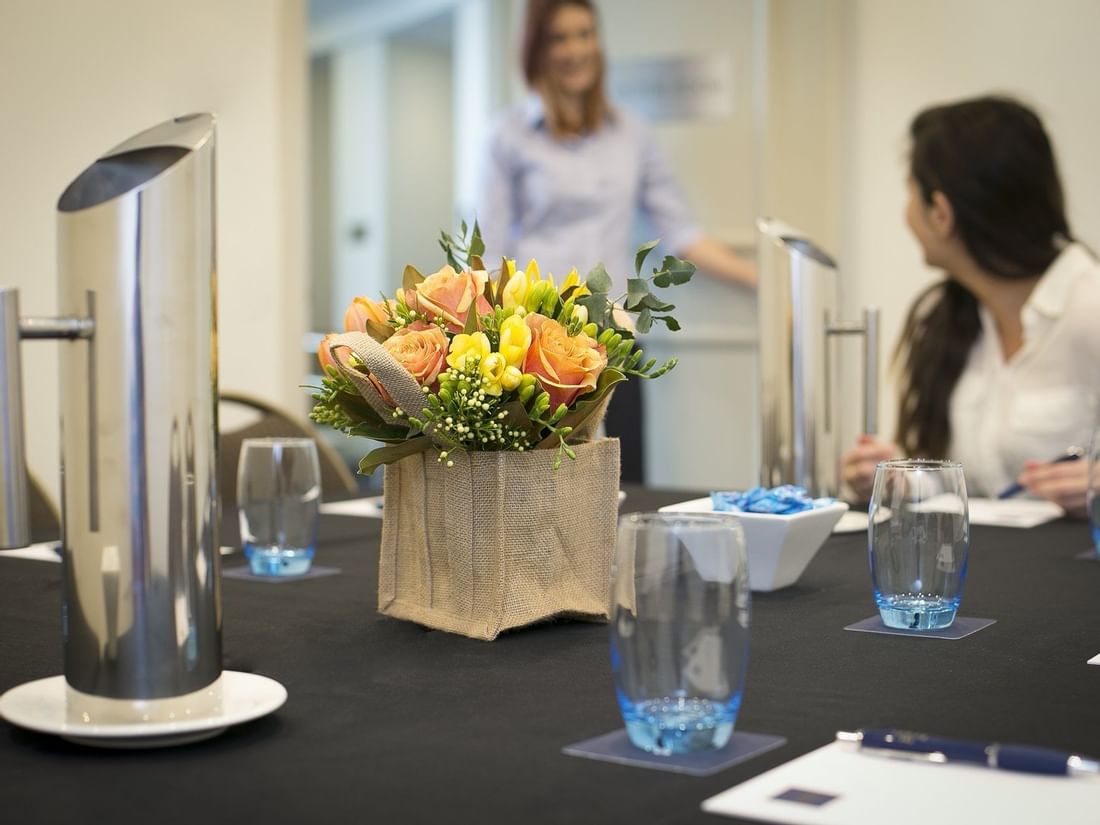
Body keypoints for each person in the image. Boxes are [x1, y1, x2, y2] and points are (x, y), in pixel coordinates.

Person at [476, 0, 755, 481]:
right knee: (540, 489)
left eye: (584, 34)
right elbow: (489, 253)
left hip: (613, 343)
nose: (575, 49)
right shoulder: (506, 137)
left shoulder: (633, 134)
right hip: (536, 353)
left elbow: (682, 233)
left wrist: (763, 281)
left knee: (620, 487)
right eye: (559, 38)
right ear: (536, 50)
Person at [842, 96, 1100, 516]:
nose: (906, 214)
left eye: (909, 193)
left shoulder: (1090, 308)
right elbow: (971, 482)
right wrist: (903, 478)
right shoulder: (943, 317)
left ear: (941, 213)